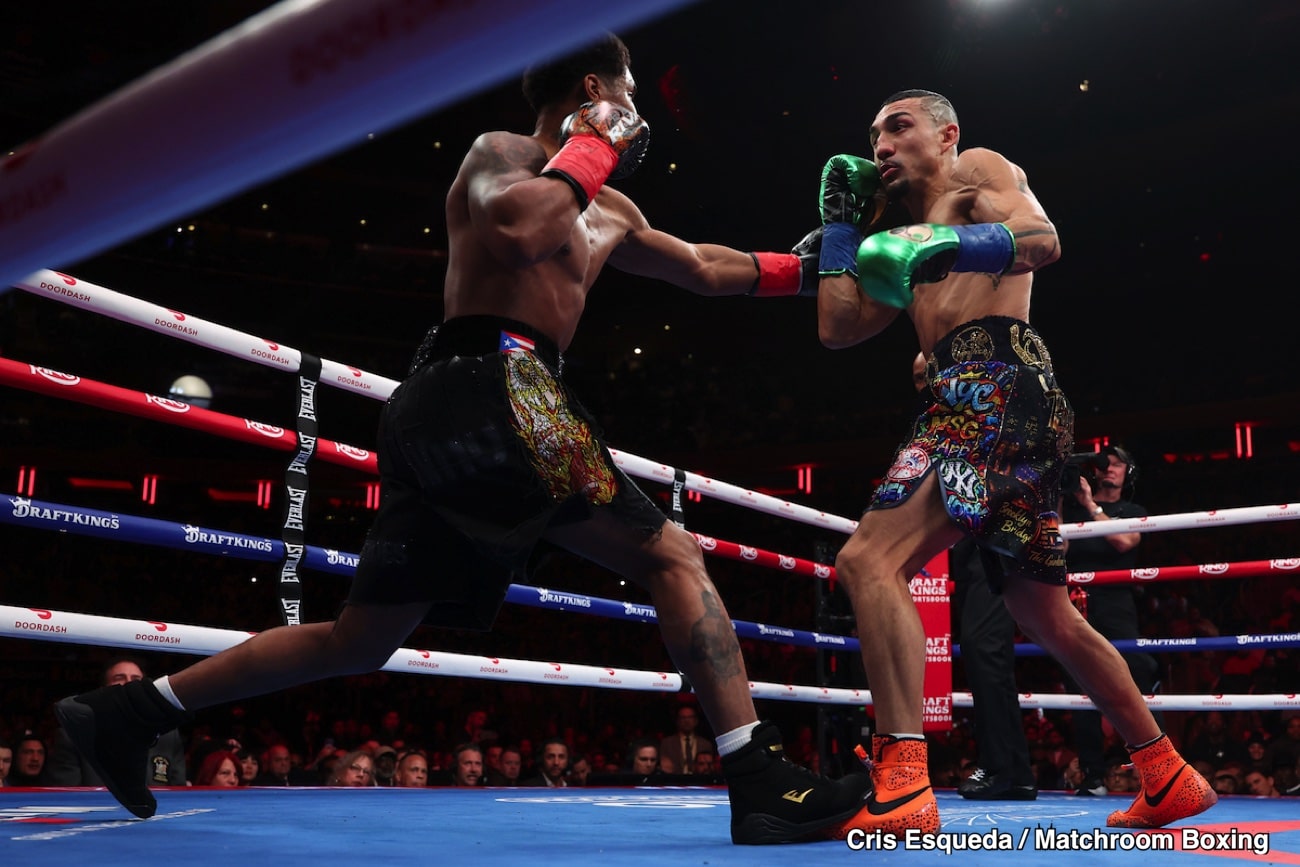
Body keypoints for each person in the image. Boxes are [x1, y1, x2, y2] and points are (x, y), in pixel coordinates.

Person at [52, 32, 866, 846]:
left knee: (360, 638)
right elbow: (518, 229)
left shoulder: (612, 207)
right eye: (629, 90)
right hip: (495, 382)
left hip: (468, 404)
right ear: (594, 87)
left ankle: (130, 710)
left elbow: (704, 267)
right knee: (672, 556)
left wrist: (817, 262)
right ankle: (757, 776)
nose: (639, 109)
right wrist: (596, 142)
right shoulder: (503, 153)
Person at [810, 89, 1215, 836]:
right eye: (873, 137)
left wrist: (950, 244)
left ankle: (901, 783)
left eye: (899, 128)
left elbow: (1041, 237)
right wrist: (841, 230)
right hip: (989, 398)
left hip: (994, 382)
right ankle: (1167, 774)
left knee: (869, 560)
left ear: (946, 135)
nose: (882, 147)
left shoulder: (976, 171)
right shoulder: (894, 235)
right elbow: (839, 328)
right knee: (1043, 611)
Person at [908, 351, 1036, 801]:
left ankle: (1004, 769)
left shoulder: (983, 411)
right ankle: (1013, 771)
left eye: (929, 375)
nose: (923, 384)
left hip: (995, 539)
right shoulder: (935, 423)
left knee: (986, 649)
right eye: (918, 379)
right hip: (970, 547)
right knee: (986, 655)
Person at [1061, 444, 1161, 794]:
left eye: (1117, 464)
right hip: (1076, 604)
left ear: (1128, 473)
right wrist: (1060, 500)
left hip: (1116, 604)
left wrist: (1091, 506)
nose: (1109, 468)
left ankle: (1156, 767)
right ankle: (1092, 776)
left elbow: (1125, 541)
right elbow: (1059, 548)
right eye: (1104, 464)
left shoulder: (1131, 510)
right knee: (1079, 685)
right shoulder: (1073, 509)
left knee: (1139, 672)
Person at [45, 658, 187, 788]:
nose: (129, 683)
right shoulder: (74, 735)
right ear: (103, 690)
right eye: (119, 678)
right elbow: (67, 797)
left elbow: (179, 791)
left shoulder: (168, 735)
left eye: (136, 679)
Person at [659, 703, 714, 775]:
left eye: (690, 717)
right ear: (677, 721)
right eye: (683, 717)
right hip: (674, 779)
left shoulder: (705, 744)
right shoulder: (667, 743)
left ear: (696, 720)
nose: (687, 721)